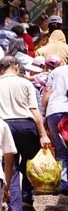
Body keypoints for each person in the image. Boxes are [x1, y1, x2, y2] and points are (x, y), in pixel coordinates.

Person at [0, 56, 50, 211]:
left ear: (0, 69)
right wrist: (43, 134)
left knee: (11, 166)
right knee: (30, 163)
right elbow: (35, 112)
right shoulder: (25, 83)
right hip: (27, 126)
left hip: (4, 127)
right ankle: (27, 200)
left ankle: (14, 209)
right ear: (16, 67)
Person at [41, 63, 68, 195]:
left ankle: (63, 183)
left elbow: (47, 93)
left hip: (54, 111)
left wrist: (44, 113)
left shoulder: (56, 71)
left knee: (61, 150)